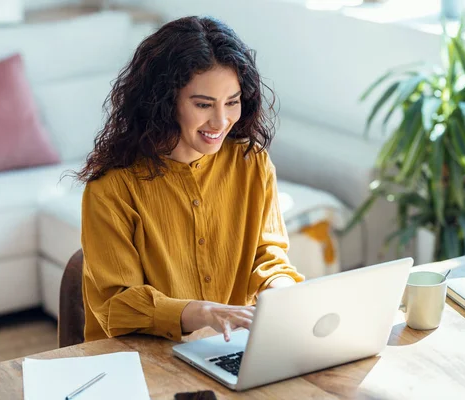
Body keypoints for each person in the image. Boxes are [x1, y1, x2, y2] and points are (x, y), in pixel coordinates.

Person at [77, 16, 304, 343]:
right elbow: (117, 305)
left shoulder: (252, 164)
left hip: (229, 351)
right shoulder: (111, 188)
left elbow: (269, 257)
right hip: (139, 363)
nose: (221, 120)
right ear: (164, 103)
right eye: (203, 104)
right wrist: (205, 313)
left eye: (232, 102)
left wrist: (282, 292)